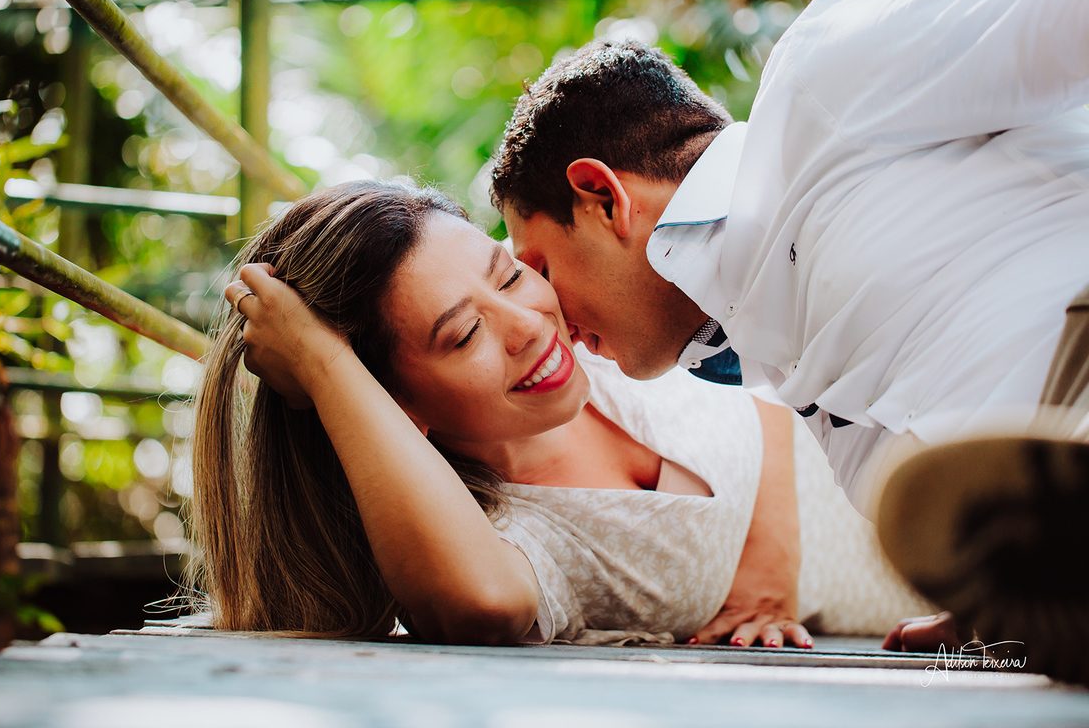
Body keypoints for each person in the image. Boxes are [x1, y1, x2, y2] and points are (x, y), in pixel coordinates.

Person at [490, 0, 1089, 678]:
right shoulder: (784, 371)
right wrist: (994, 607)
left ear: (602, 196)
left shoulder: (828, 73)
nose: (552, 318)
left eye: (542, 268)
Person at [193, 179, 934, 647]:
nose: (528, 324)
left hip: (922, 423)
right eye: (463, 334)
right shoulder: (517, 537)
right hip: (932, 598)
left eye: (510, 274)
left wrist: (763, 572)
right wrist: (326, 366)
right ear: (395, 408)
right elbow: (481, 605)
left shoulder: (598, 324)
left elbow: (762, 371)